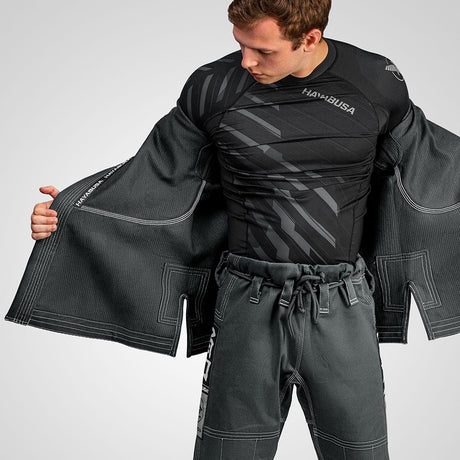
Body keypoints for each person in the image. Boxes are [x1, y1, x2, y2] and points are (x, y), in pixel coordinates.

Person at [27, 0, 412, 459]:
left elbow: (424, 174)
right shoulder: (213, 86)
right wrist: (73, 210)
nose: (247, 61)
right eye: (240, 45)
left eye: (262, 51)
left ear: (309, 39)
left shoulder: (375, 81)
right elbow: (158, 172)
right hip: (248, 303)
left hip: (343, 305)